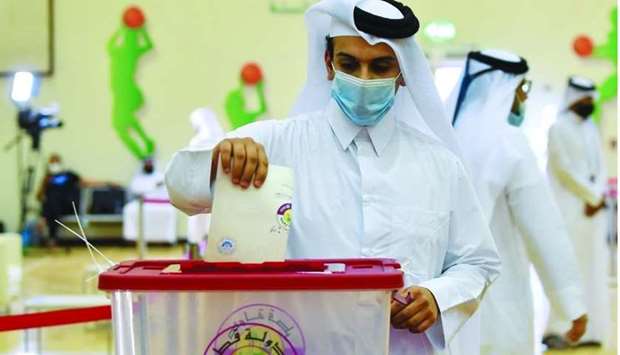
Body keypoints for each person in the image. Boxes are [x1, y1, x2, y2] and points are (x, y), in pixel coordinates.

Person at [166, 1, 500, 354]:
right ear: (328, 64)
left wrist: (437, 296)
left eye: (381, 66)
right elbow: (179, 188)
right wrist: (219, 162)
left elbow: (478, 261)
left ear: (403, 72)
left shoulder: (440, 165)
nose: (364, 79)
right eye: (350, 64)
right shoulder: (276, 143)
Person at [447, 50, 588, 354]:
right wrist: (571, 303)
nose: (523, 100)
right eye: (522, 90)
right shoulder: (508, 141)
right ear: (504, 89)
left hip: (441, 299)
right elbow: (543, 228)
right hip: (498, 293)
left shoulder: (442, 133)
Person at [545, 76, 611, 348]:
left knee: (594, 269)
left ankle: (592, 331)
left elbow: (601, 166)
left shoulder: (591, 129)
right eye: (584, 98)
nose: (589, 103)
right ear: (573, 98)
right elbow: (564, 169)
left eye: (591, 99)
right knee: (568, 269)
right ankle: (559, 330)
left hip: (594, 214)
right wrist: (591, 196)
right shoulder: (558, 128)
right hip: (570, 211)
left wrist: (599, 196)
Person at [36, 153, 112, 247]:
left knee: (53, 202)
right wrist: (45, 183)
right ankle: (51, 236)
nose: (54, 164)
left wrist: (107, 183)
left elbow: (85, 182)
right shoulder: (48, 179)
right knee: (52, 201)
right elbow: (39, 197)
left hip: (67, 205)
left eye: (56, 162)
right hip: (53, 207)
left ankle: (45, 223)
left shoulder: (69, 175)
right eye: (52, 162)